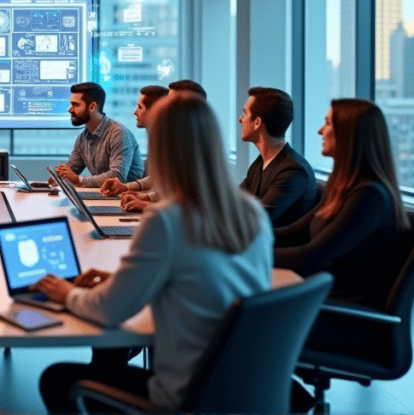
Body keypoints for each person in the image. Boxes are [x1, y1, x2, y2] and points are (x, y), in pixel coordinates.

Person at [33, 94, 273, 413]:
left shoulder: (166, 220)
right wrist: (121, 280)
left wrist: (68, 293)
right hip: (247, 391)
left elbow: (109, 311)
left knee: (56, 377)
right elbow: (200, 280)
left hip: (187, 398)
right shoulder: (253, 212)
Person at [274, 98, 408, 305]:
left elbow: (310, 257)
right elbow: (295, 232)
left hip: (336, 308)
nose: (320, 131)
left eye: (327, 123)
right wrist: (242, 238)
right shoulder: (343, 187)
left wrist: (246, 253)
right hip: (317, 292)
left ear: (348, 134)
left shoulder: (370, 196)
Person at [105, 79, 209, 212]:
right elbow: (171, 188)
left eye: (170, 103)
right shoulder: (178, 141)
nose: (164, 106)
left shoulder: (197, 148)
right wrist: (143, 196)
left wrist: (147, 204)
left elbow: (193, 205)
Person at [238, 87, 318, 228]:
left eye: (245, 113)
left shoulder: (294, 171)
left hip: (275, 247)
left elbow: (255, 218)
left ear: (257, 122)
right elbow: (235, 201)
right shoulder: (261, 162)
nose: (240, 119)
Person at [52, 82, 144, 188]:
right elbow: (72, 168)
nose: (69, 109)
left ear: (92, 106)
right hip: (105, 196)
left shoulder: (118, 134)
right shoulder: (83, 138)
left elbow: (117, 176)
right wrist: (57, 177)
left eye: (75, 104)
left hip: (129, 197)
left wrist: (79, 180)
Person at [99, 85, 169, 205]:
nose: (135, 112)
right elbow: (158, 180)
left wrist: (145, 202)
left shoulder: (174, 143)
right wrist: (127, 188)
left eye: (140, 107)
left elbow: (182, 195)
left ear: (154, 112)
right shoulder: (159, 139)